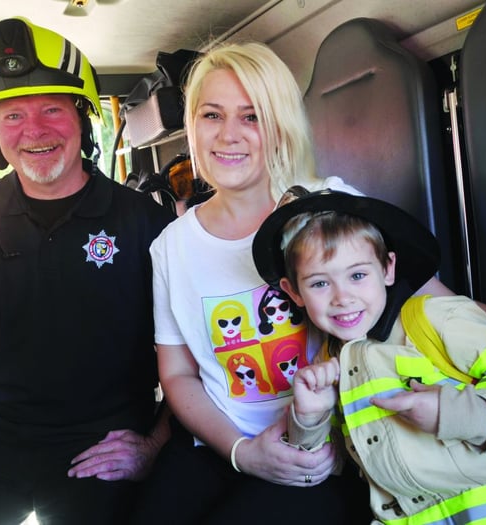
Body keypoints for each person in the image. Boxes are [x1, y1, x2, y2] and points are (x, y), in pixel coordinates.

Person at [0, 17, 174, 525]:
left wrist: (152, 447)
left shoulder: (145, 222)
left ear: (82, 120)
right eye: (13, 114)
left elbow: (197, 355)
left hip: (105, 441)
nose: (34, 131)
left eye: (51, 109)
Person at [129, 41, 374, 525]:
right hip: (219, 446)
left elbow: (429, 303)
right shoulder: (171, 247)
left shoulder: (333, 204)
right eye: (212, 115)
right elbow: (176, 375)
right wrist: (242, 452)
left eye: (252, 117)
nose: (228, 135)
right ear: (192, 125)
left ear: (279, 124)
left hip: (321, 451)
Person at [252, 188, 486, 524]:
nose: (342, 297)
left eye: (357, 275)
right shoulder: (329, 363)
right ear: (293, 291)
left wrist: (457, 413)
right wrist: (309, 420)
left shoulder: (438, 319)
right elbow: (349, 458)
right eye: (320, 284)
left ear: (387, 268)